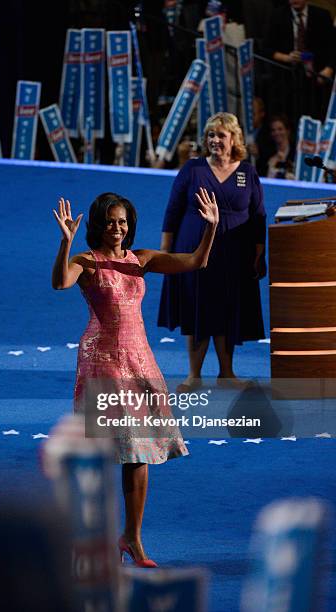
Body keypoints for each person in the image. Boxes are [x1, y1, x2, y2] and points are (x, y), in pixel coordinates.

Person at [52, 191, 219, 566]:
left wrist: (211, 228)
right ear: (98, 224)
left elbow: (196, 260)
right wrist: (66, 242)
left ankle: (131, 538)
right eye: (111, 221)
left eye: (123, 221)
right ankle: (87, 538)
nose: (117, 228)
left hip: (140, 360)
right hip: (103, 362)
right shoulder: (87, 261)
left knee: (138, 453)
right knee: (98, 454)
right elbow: (61, 282)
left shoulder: (140, 260)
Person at [158, 112, 266, 392]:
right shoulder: (192, 170)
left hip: (235, 254)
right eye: (211, 135)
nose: (215, 140)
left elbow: (258, 216)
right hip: (193, 250)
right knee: (197, 307)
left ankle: (227, 373)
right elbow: (172, 210)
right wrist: (165, 253)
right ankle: (194, 375)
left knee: (228, 309)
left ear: (234, 139)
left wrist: (258, 252)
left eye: (221, 135)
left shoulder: (248, 172)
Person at [264, 0, 335, 121]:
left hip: (317, 79)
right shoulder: (277, 15)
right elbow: (266, 48)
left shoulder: (322, 15)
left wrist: (329, 69)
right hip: (287, 79)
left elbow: (333, 47)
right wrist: (286, 57)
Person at [266, 114, 295, 180]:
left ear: (287, 131)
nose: (276, 133)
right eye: (273, 130)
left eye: (280, 129)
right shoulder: (268, 153)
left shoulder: (296, 152)